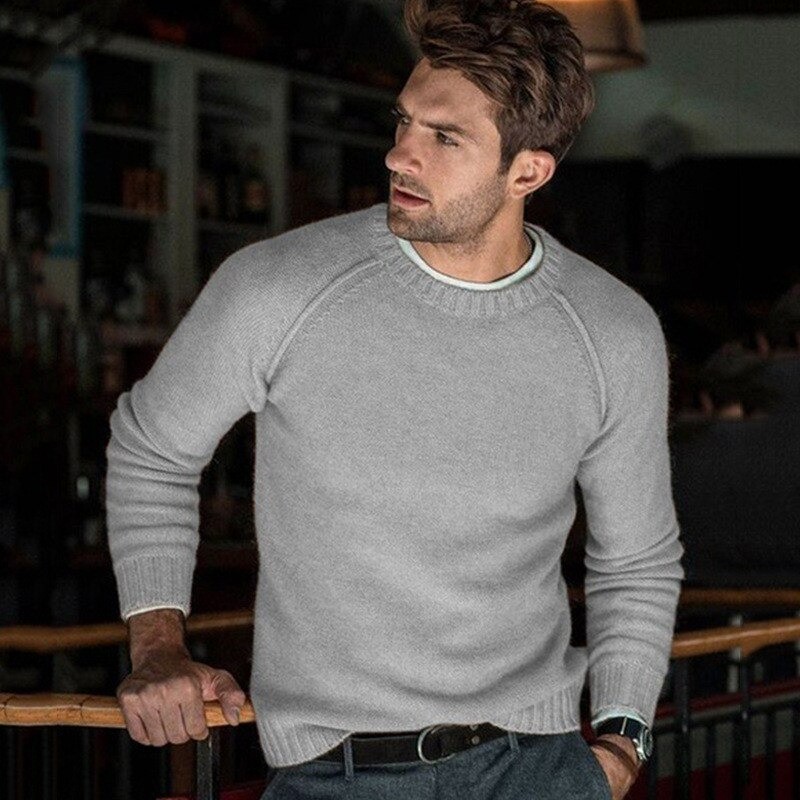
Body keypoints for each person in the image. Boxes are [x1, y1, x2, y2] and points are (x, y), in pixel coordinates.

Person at [105, 1, 684, 798]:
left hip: (540, 768)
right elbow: (152, 450)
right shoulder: (277, 287)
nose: (399, 155)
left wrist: (621, 744)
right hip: (337, 776)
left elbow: (637, 560)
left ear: (528, 172)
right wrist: (156, 645)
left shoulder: (613, 330)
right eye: (404, 121)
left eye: (444, 138)